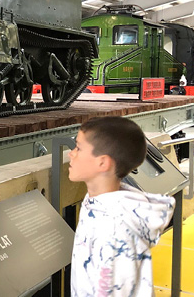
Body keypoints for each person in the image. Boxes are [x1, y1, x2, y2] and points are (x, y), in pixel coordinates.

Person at [68, 116, 175, 297]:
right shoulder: (99, 203)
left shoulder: (114, 228)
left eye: (78, 148)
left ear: (102, 162)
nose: (71, 153)